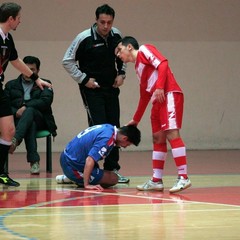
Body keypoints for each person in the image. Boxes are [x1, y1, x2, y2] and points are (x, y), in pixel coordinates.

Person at [115, 36, 191, 193]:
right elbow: (144, 96)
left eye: (120, 50)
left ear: (129, 47)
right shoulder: (138, 69)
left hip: (168, 93)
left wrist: (160, 87)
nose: (118, 54)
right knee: (157, 138)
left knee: (172, 134)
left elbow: (163, 63)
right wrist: (135, 120)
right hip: (157, 100)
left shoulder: (145, 49)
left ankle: (183, 177)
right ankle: (156, 180)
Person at [62, 4, 129, 183]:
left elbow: (123, 57)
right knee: (99, 128)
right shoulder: (83, 38)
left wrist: (122, 74)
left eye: (109, 22)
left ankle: (112, 169)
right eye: (102, 22)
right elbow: (67, 61)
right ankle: (89, 170)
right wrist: (84, 80)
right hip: (92, 90)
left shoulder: (116, 35)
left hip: (111, 89)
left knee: (114, 128)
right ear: (96, 20)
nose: (106, 26)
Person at [0, 2, 52, 187]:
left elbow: (15, 61)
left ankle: (2, 173)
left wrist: (36, 78)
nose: (20, 21)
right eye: (19, 18)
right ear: (11, 18)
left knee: (9, 131)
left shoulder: (8, 38)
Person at [4, 56, 57, 175]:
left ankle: (16, 140)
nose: (29, 73)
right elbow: (4, 105)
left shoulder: (45, 83)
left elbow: (45, 101)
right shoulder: (11, 85)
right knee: (30, 124)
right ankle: (34, 162)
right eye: (26, 69)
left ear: (38, 71)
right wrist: (16, 112)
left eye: (32, 70)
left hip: (41, 120)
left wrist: (26, 107)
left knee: (30, 111)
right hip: (18, 119)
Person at [56, 124, 141, 190]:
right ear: (125, 138)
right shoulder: (107, 139)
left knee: (101, 172)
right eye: (128, 144)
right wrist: (87, 185)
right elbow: (89, 160)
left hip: (67, 158)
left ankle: (73, 177)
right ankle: (76, 178)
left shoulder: (109, 128)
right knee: (113, 178)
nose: (125, 147)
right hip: (72, 166)